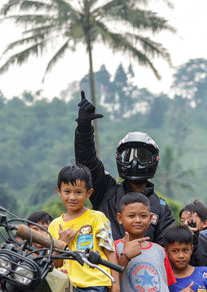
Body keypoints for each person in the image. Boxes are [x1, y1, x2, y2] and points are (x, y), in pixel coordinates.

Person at [74, 91, 174, 242]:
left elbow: (167, 248)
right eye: (129, 156)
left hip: (143, 266)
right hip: (104, 264)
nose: (135, 162)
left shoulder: (160, 207)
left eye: (142, 157)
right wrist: (84, 128)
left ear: (155, 160)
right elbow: (86, 162)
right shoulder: (105, 190)